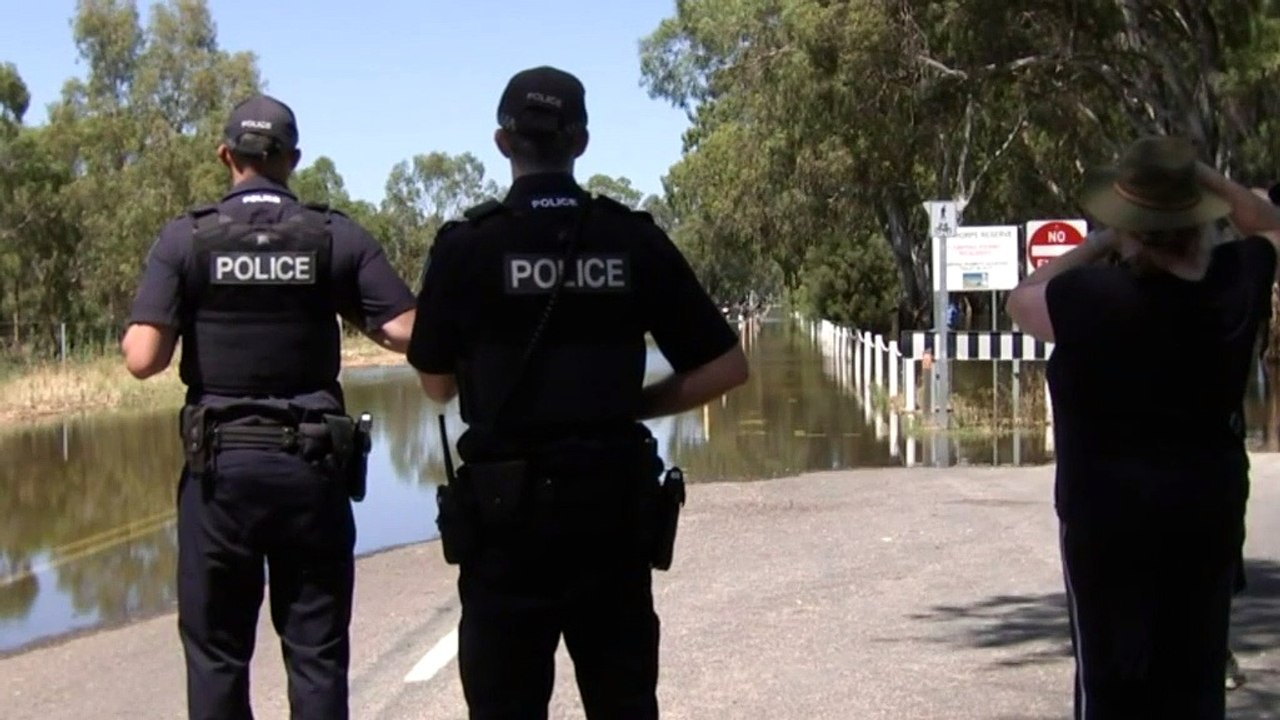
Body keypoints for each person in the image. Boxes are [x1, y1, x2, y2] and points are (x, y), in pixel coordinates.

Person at [407, 66, 749, 719]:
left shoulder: (467, 248)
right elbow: (727, 367)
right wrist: (633, 403)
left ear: (503, 142)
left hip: (506, 524)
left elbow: (436, 386)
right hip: (611, 515)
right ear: (582, 143)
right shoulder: (630, 238)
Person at [120, 95, 417, 720]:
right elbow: (409, 333)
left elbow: (142, 357)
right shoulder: (333, 236)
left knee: (217, 656)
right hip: (312, 469)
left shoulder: (188, 238)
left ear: (226, 155)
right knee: (315, 651)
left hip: (220, 473)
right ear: (292, 159)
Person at [1006, 135, 1280, 719]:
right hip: (1206, 511)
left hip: (1107, 524)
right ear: (1197, 213)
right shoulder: (1236, 282)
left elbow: (1022, 299)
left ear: (1128, 221)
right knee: (1196, 677)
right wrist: (1200, 174)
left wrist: (1102, 239)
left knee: (1110, 684)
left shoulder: (1091, 297)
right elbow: (1270, 225)